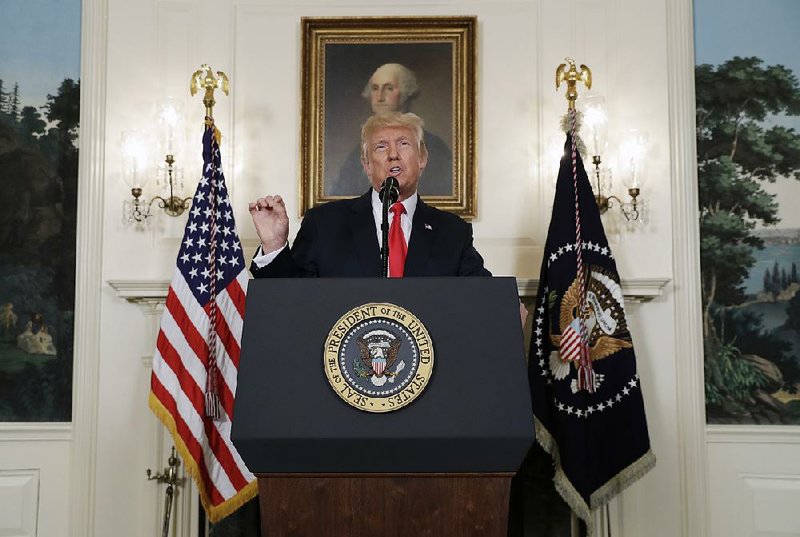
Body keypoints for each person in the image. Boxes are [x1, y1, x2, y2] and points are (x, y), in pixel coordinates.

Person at [250, 112, 489, 278]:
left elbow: (482, 296)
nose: (393, 154)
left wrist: (506, 308)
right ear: (366, 164)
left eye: (404, 143)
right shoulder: (324, 224)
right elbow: (290, 298)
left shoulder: (452, 232)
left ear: (422, 158)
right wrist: (274, 245)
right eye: (381, 146)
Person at [330, 63, 453, 197]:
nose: (380, 97)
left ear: (407, 92)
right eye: (375, 88)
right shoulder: (357, 154)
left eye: (389, 88)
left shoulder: (434, 147)